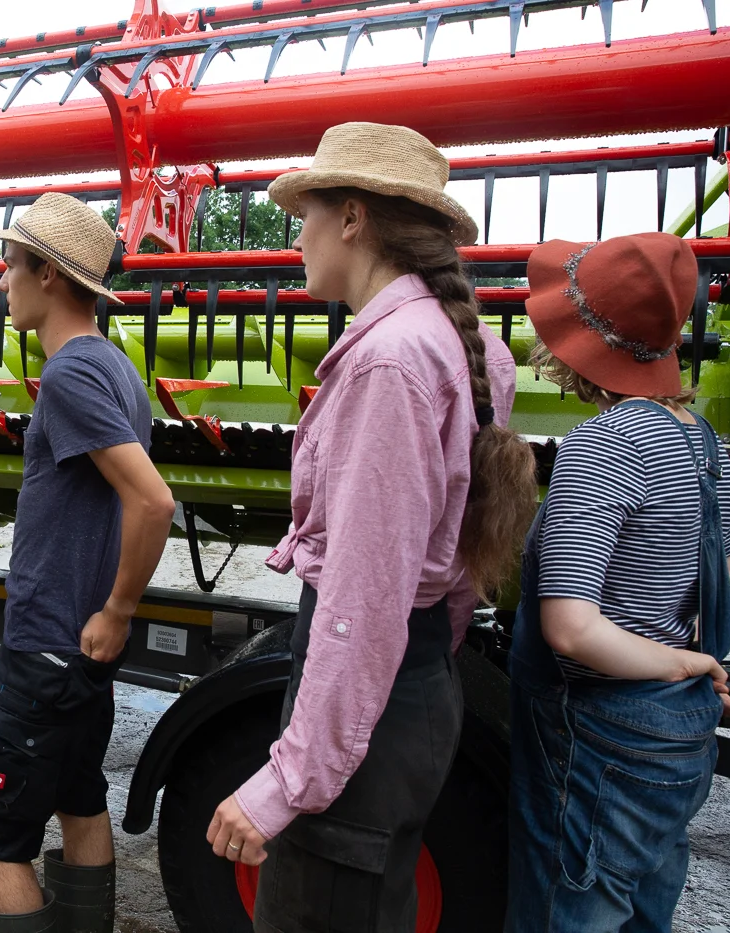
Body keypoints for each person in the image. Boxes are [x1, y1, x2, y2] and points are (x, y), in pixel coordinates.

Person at [204, 122, 538, 931]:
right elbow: (447, 577)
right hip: (416, 689)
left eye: (306, 214)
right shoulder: (469, 346)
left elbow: (362, 598)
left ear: (352, 217)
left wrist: (285, 781)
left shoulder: (389, 361)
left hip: (369, 713)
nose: (299, 238)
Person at [506, 232, 730, 931]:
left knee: (570, 909)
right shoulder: (700, 439)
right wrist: (691, 641)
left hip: (601, 735)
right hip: (679, 733)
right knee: (646, 905)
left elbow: (570, 624)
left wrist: (681, 655)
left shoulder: (606, 442)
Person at [0, 192, 176, 933]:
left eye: (8, 265)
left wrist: (117, 611)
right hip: (78, 654)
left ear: (47, 274)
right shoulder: (114, 364)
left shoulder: (73, 375)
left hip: (49, 646)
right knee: (79, 800)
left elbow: (151, 501)